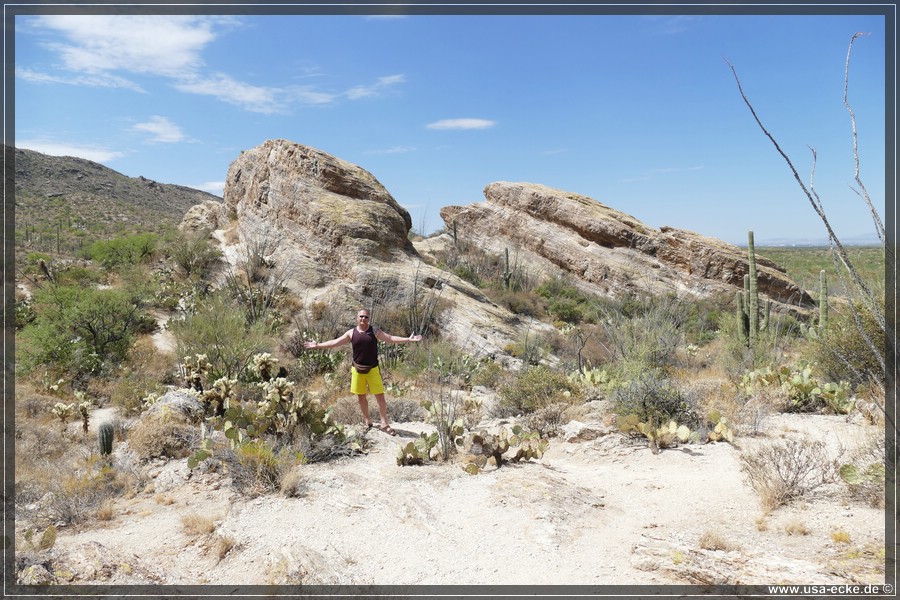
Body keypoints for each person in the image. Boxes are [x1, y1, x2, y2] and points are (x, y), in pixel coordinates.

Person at [304, 308, 422, 435]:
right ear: (357, 317)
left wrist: (408, 340)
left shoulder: (375, 331)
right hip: (357, 370)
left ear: (369, 318)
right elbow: (335, 342)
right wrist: (318, 345)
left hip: (373, 369)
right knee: (361, 396)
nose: (363, 319)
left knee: (380, 396)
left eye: (366, 317)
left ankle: (384, 424)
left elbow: (390, 338)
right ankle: (367, 421)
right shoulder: (351, 333)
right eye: (361, 316)